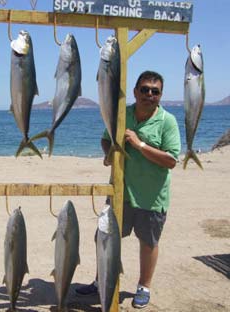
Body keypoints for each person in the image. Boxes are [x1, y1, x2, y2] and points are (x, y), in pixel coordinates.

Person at [76, 71, 181, 309]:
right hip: (120, 192)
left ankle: (144, 286)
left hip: (152, 196)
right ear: (135, 91)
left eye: (155, 91)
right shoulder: (122, 114)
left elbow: (171, 160)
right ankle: (100, 279)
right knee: (103, 238)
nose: (149, 95)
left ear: (161, 95)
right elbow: (106, 139)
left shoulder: (167, 121)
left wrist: (139, 144)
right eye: (145, 89)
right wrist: (109, 153)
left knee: (148, 242)